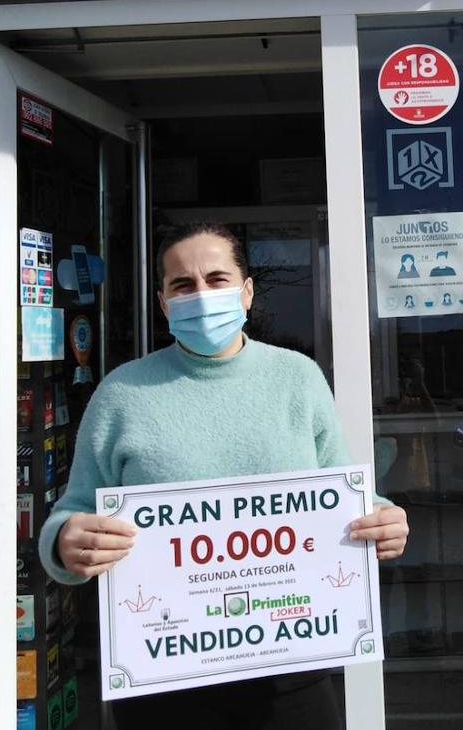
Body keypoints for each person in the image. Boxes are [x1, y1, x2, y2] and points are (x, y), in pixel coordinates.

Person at [38, 223, 409, 730]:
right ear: (164, 303)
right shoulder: (121, 395)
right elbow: (70, 513)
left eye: (217, 278)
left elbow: (342, 494)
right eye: (183, 285)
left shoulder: (298, 379)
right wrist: (64, 543)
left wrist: (382, 520)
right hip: (165, 679)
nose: (202, 294)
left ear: (247, 291)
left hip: (292, 671)